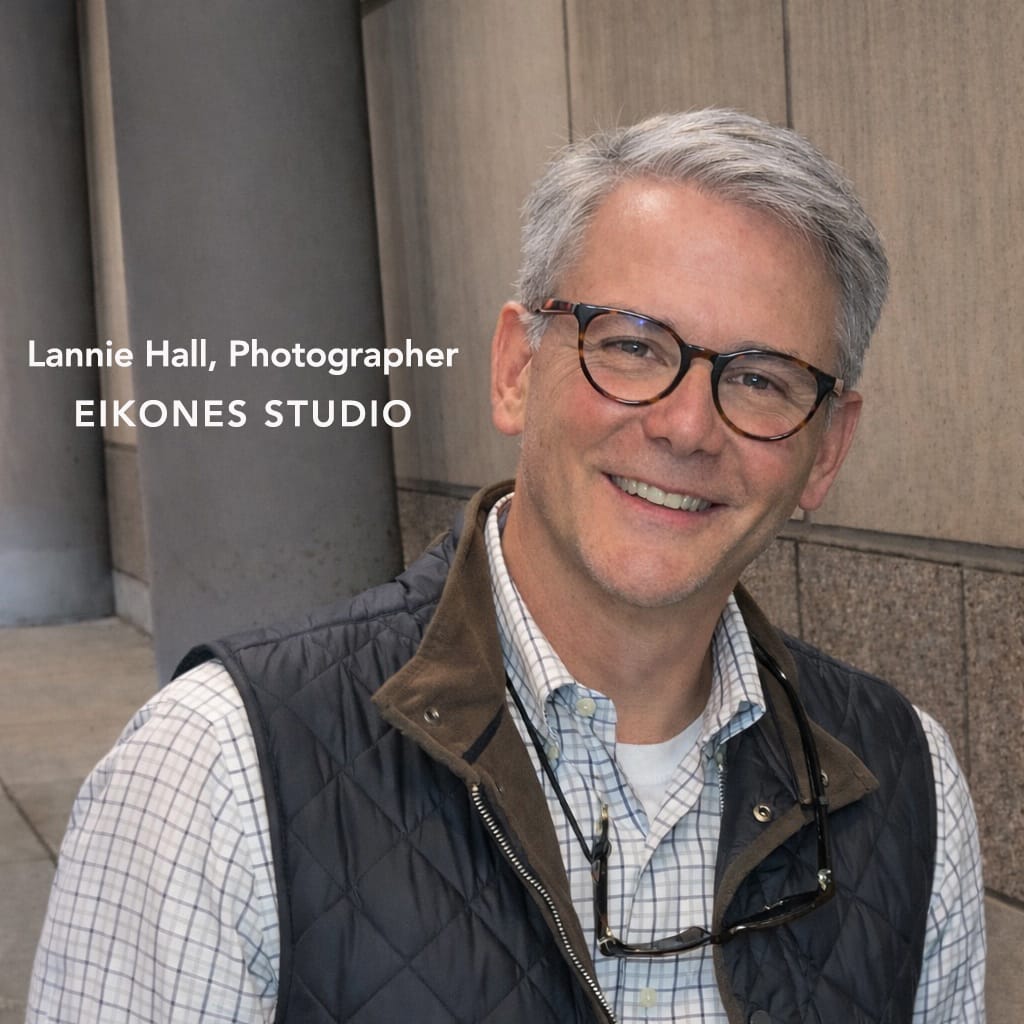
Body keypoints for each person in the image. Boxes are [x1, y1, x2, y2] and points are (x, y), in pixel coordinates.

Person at [28, 109, 985, 1023]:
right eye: (632, 345)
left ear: (826, 449)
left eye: (762, 379)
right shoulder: (220, 771)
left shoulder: (907, 784)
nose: (687, 426)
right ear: (516, 369)